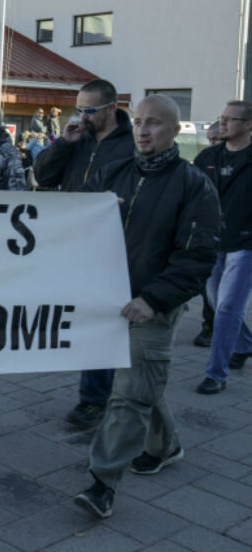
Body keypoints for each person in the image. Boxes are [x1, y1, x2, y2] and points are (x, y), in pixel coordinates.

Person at [73, 95, 220, 519]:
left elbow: (196, 257)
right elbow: (67, 214)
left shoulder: (194, 186)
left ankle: (102, 483)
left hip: (152, 305)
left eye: (153, 123)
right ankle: (165, 445)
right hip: (107, 299)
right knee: (141, 384)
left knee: (128, 394)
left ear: (175, 130)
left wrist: (153, 300)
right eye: (137, 121)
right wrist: (94, 212)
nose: (142, 130)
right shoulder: (112, 172)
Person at [34, 79, 135, 430]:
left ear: (111, 108)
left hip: (114, 244)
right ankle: (105, 389)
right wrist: (64, 143)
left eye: (89, 110)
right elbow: (43, 175)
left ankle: (95, 398)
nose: (82, 116)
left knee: (102, 320)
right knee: (83, 317)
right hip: (74, 242)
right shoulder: (78, 139)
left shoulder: (131, 144)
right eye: (79, 109)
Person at [192, 102, 252, 391]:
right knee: (217, 304)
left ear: (249, 124)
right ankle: (245, 344)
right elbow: (190, 193)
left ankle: (216, 374)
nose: (223, 124)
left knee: (228, 308)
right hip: (213, 242)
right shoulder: (208, 157)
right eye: (222, 118)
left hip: (246, 244)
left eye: (231, 119)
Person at [192, 121, 221, 348]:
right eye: (210, 138)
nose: (212, 143)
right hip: (207, 229)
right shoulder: (204, 159)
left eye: (217, 139)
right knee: (208, 285)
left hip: (236, 236)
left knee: (224, 292)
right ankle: (210, 324)